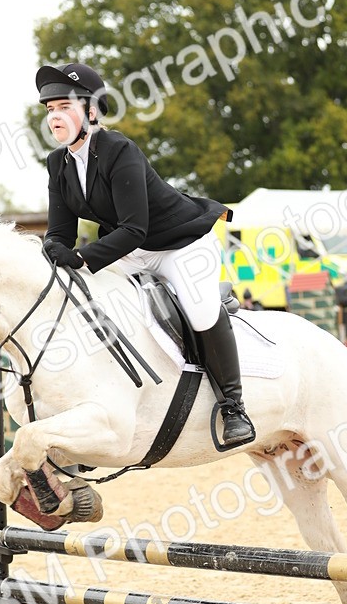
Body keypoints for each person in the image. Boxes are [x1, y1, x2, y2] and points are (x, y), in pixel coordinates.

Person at [37, 61, 253, 446]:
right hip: (130, 250)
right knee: (85, 295)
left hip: (181, 243)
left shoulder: (120, 150)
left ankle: (234, 406)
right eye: (50, 110)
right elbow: (61, 232)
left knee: (201, 311)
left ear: (90, 110)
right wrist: (53, 249)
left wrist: (84, 258)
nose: (55, 117)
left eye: (64, 107)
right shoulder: (58, 164)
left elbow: (134, 227)